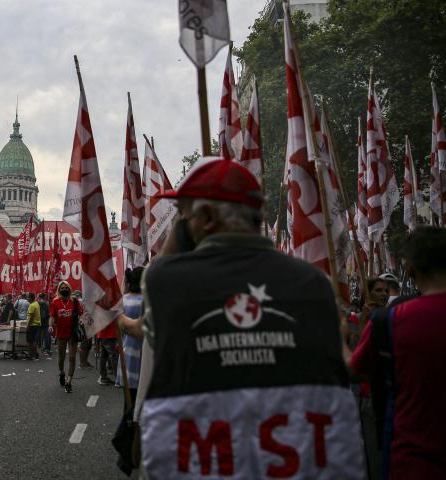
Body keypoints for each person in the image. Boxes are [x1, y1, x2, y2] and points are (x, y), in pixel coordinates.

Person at [140, 157, 362, 477]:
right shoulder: (314, 283)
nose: (181, 223)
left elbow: (158, 280)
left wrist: (180, 235)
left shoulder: (166, 280)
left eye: (183, 215)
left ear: (205, 217)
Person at [348, 227, 446, 477]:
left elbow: (352, 371)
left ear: (410, 269)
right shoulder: (382, 319)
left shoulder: (391, 321)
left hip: (413, 463)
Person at [116, 267, 144, 406]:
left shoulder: (123, 301)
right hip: (144, 357)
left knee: (129, 404)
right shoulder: (147, 301)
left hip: (127, 356)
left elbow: (119, 332)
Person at [49, 281, 81, 393]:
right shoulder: (55, 302)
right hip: (61, 333)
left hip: (73, 333)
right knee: (61, 358)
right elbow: (52, 316)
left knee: (72, 358)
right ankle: (62, 372)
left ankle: (69, 381)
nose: (64, 289)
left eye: (66, 287)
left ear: (69, 289)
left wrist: (82, 321)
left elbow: (81, 314)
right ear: (59, 290)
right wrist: (50, 326)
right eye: (62, 287)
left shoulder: (75, 302)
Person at [26, 293, 41, 360]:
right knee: (34, 340)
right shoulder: (36, 303)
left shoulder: (32, 305)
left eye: (28, 297)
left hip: (32, 325)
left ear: (31, 298)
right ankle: (35, 354)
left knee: (30, 341)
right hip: (37, 325)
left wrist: (28, 326)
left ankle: (31, 355)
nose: (27, 299)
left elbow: (31, 317)